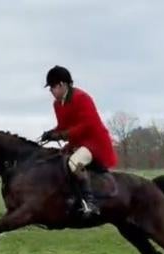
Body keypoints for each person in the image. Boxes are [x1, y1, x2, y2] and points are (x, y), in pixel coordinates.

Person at [40, 65, 118, 216]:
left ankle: (90, 203)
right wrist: (51, 133)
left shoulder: (82, 98)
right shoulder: (57, 104)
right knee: (57, 160)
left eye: (52, 87)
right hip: (78, 143)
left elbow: (86, 125)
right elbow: (63, 126)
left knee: (73, 163)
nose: (51, 91)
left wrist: (62, 135)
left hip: (95, 143)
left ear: (62, 84)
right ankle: (70, 197)